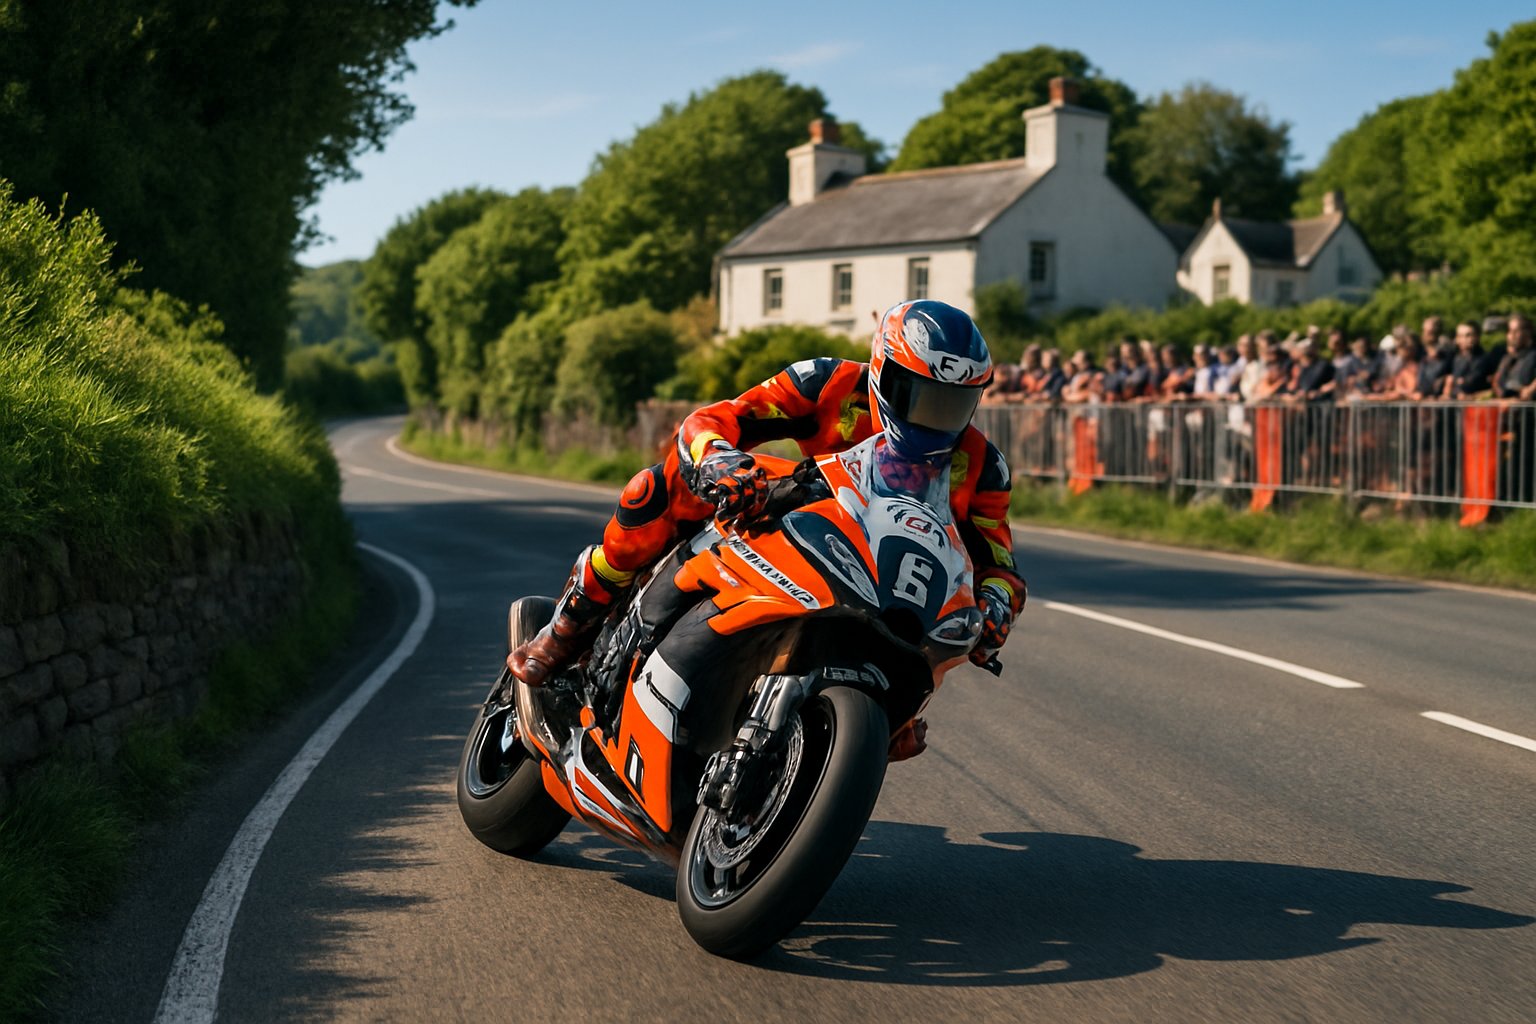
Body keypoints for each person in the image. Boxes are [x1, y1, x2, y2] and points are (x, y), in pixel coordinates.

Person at [506, 300, 1029, 755]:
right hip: (800, 519)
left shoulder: (983, 467)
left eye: (951, 403)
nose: (931, 416)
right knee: (656, 489)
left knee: (944, 639)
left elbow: (998, 564)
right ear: (882, 372)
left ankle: (872, 725)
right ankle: (570, 626)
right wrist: (718, 462)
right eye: (916, 394)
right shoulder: (826, 383)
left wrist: (999, 603)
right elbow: (716, 420)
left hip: (886, 577)